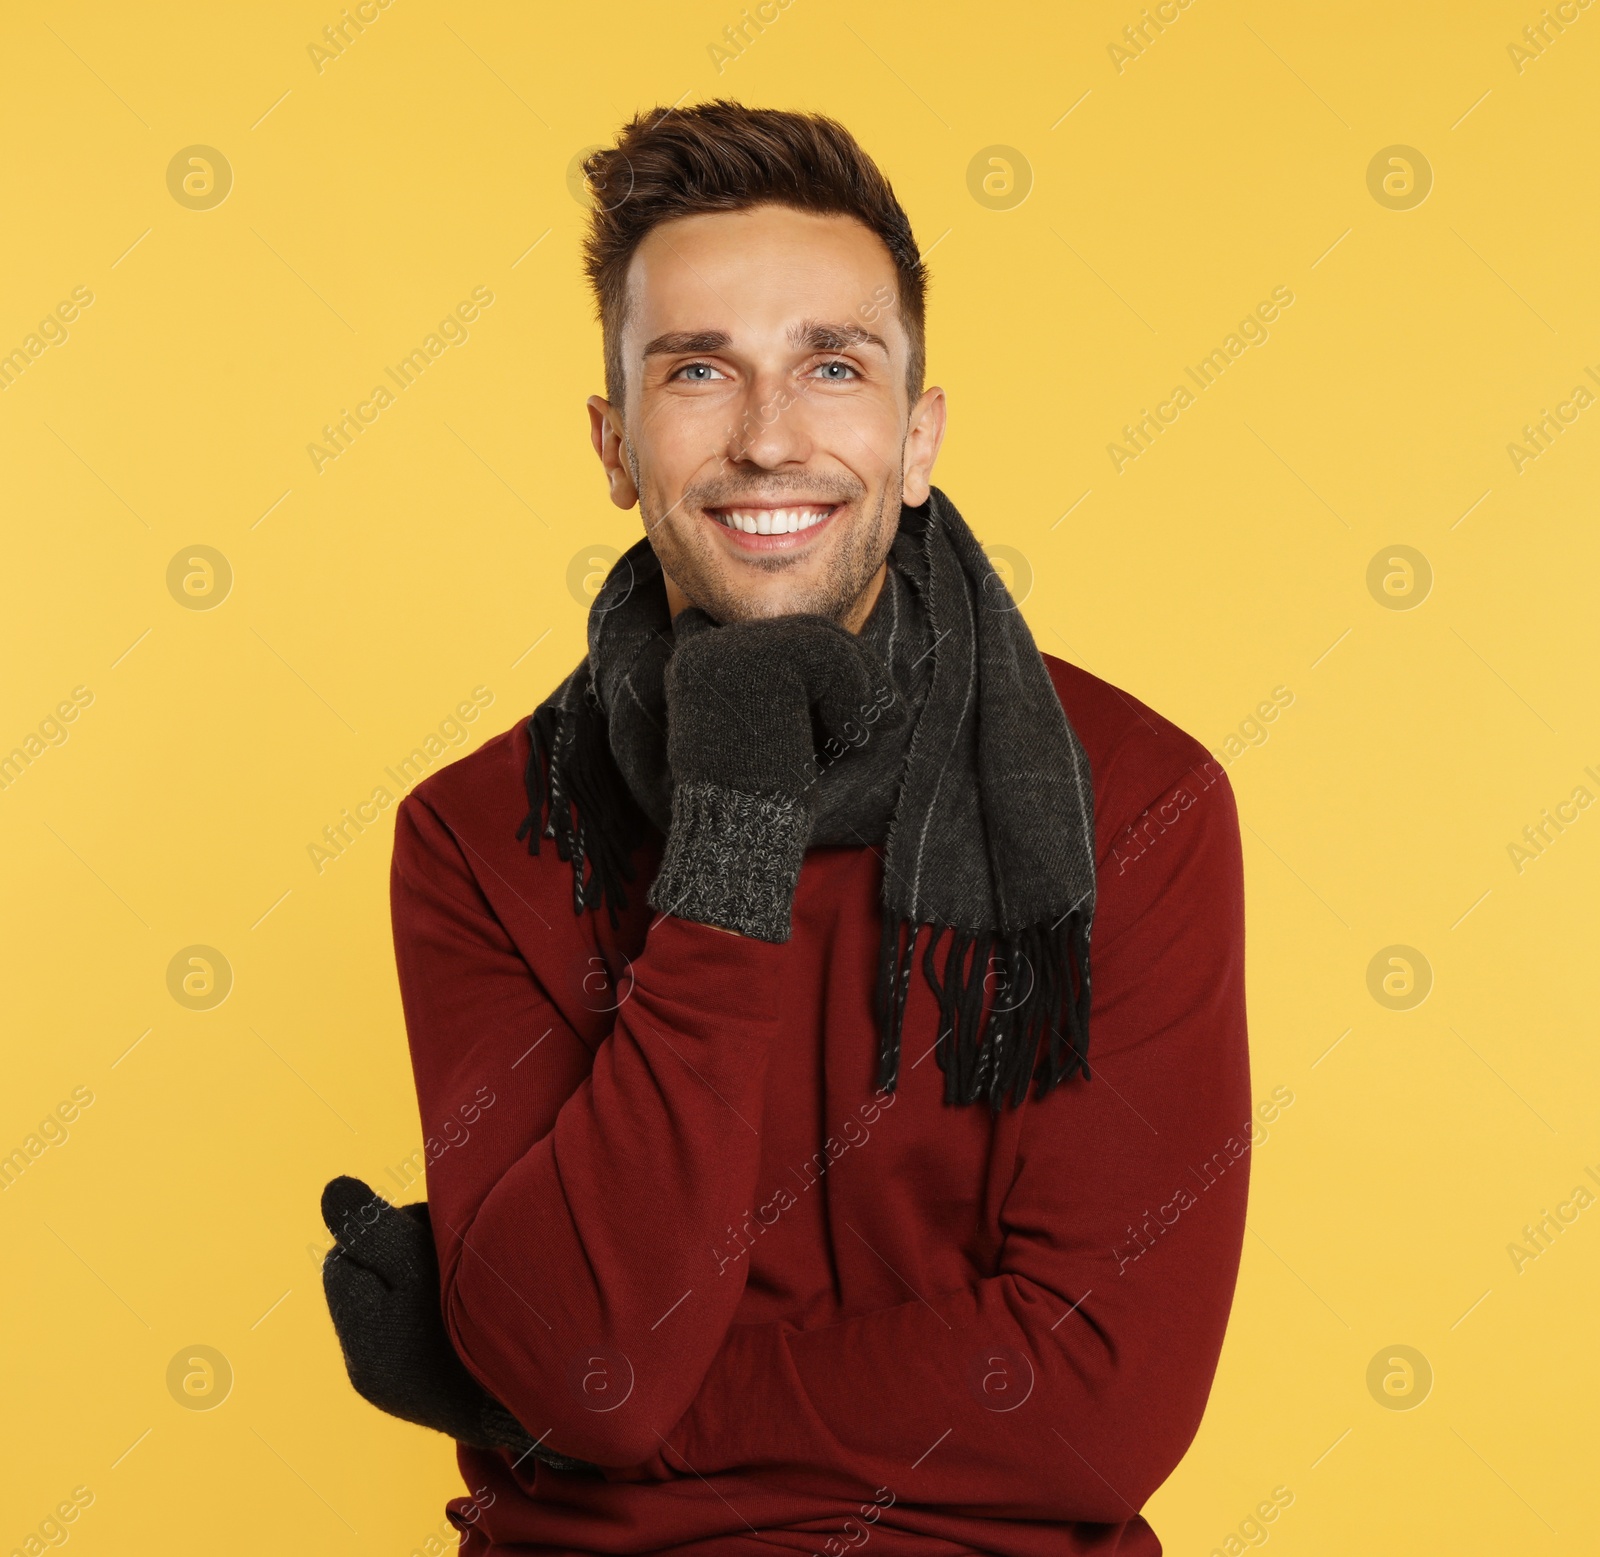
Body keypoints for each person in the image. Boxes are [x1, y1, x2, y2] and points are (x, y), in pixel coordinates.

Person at [320, 100, 1251, 1557]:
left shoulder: (1135, 800)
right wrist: (737, 816)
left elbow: (1098, 1407)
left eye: (832, 364)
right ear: (617, 442)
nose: (768, 438)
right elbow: (589, 1377)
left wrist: (519, 1389)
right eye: (698, 369)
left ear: (916, 432)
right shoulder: (481, 835)